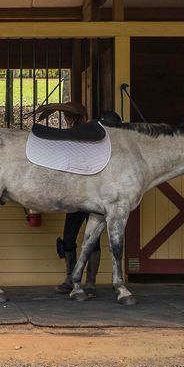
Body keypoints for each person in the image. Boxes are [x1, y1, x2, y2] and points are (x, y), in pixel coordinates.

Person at [34, 103, 121, 297]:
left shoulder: (95, 137)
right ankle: (70, 278)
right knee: (68, 239)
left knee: (92, 242)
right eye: (67, 117)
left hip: (94, 197)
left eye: (69, 117)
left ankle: (90, 281)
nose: (67, 120)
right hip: (76, 197)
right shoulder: (76, 135)